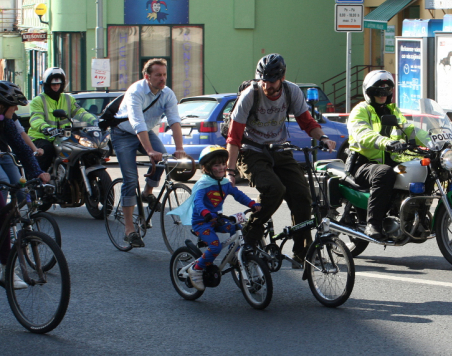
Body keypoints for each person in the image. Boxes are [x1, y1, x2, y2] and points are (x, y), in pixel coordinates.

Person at [226, 53, 336, 264]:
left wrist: (323, 138)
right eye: (263, 80)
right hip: (251, 151)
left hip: (279, 150)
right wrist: (230, 172)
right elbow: (234, 137)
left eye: (271, 80)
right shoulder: (250, 95)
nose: (267, 85)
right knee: (274, 189)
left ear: (282, 77)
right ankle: (249, 238)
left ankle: (303, 255)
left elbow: (307, 122)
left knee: (302, 196)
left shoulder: (291, 91)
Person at [111, 58, 186, 248]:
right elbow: (137, 122)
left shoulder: (167, 94)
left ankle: (147, 192)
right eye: (158, 75)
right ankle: (129, 229)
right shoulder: (136, 91)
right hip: (123, 132)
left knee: (164, 159)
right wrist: (149, 151)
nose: (162, 79)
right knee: (130, 178)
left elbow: (174, 121)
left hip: (146, 131)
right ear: (147, 76)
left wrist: (179, 148)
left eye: (164, 75)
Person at [167, 145, 261, 291]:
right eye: (217, 165)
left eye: (223, 164)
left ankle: (235, 255)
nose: (222, 167)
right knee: (215, 246)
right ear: (207, 168)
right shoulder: (203, 185)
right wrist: (205, 213)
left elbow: (238, 195)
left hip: (216, 219)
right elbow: (198, 203)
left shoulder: (224, 184)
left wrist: (252, 204)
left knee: (235, 227)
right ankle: (196, 269)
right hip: (201, 222)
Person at [346, 70, 425, 240]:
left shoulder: (391, 111)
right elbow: (362, 133)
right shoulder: (361, 110)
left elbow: (408, 129)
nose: (383, 96)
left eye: (387, 92)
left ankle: (416, 218)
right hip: (362, 163)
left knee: (420, 168)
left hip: (390, 161)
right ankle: (372, 223)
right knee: (384, 172)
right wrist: (386, 142)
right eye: (378, 92)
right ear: (369, 92)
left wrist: (434, 141)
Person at [0, 81, 51, 289]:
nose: (17, 110)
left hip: (2, 155)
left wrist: (38, 172)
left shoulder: (7, 121)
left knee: (20, 186)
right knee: (2, 193)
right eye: (14, 106)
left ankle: (7, 269)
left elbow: (21, 148)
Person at [27, 67, 97, 172]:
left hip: (64, 137)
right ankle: (40, 180)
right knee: (47, 150)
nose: (56, 86)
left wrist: (94, 121)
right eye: (53, 84)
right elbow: (36, 118)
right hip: (42, 137)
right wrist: (46, 128)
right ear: (47, 84)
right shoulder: (38, 100)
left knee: (82, 150)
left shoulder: (68, 99)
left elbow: (80, 112)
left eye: (58, 84)